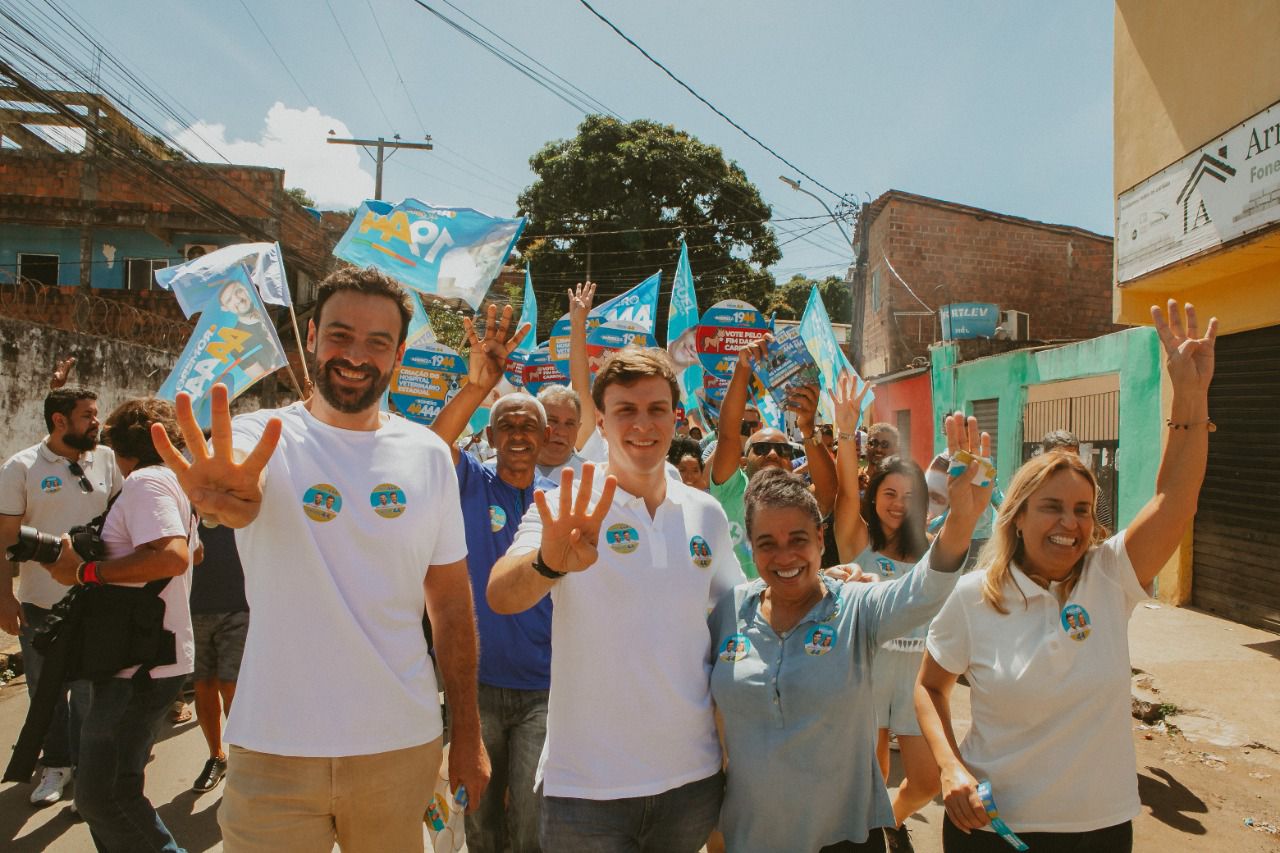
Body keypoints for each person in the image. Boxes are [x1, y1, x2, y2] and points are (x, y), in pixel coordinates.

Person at [153, 266, 489, 852]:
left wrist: (467, 734)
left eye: (377, 342)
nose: (355, 355)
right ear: (310, 337)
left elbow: (453, 611)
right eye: (339, 335)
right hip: (272, 748)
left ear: (399, 354)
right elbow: (238, 497)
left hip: (399, 744)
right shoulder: (260, 438)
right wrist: (221, 502)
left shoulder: (430, 456)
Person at [916, 302, 1217, 853]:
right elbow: (929, 686)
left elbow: (1176, 500)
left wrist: (1190, 396)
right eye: (1052, 507)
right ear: (1020, 516)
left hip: (1099, 830)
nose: (1070, 523)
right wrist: (950, 769)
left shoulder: (1110, 576)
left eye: (1083, 509)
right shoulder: (973, 597)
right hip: (991, 829)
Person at [488, 347, 744, 853]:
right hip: (587, 791)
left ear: (676, 416)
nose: (643, 425)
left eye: (656, 409)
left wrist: (827, 584)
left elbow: (739, 610)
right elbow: (501, 594)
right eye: (626, 410)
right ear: (601, 423)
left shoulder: (706, 513)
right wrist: (549, 562)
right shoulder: (568, 502)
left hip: (691, 781)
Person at [709, 413, 994, 853]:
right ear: (750, 544)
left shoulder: (856, 607)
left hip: (843, 837)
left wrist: (960, 520)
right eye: (767, 542)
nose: (784, 556)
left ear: (821, 540)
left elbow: (923, 591)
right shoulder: (729, 611)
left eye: (798, 539)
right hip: (750, 835)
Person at [40, 398, 197, 851]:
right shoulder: (173, 482)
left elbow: (173, 556)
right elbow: (193, 553)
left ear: (120, 444)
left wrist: (86, 571)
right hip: (146, 658)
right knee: (117, 789)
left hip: (139, 665)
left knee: (101, 798)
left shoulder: (147, 483)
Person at [429, 303, 553, 853]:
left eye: (530, 425)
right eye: (508, 424)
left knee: (529, 817)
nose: (519, 433)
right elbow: (431, 449)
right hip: (476, 684)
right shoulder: (471, 484)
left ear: (547, 437)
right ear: (492, 435)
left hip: (546, 689)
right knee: (478, 813)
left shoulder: (560, 496)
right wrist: (479, 387)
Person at [0, 386, 121, 807]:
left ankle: (87, 775)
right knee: (45, 690)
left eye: (95, 414)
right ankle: (56, 765)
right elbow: (3, 541)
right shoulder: (21, 467)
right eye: (88, 415)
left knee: (89, 691)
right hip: (39, 603)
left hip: (96, 602)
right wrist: (5, 599)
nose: (96, 422)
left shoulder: (106, 459)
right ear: (59, 421)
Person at [832, 375, 938, 851]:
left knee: (927, 781)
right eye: (890, 493)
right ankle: (871, 832)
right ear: (876, 496)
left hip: (915, 677)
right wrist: (846, 431)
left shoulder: (931, 552)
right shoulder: (858, 541)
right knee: (872, 773)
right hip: (868, 672)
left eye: (909, 495)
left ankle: (890, 818)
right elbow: (844, 494)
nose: (899, 504)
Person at [709, 335, 837, 578]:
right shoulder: (731, 490)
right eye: (760, 448)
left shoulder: (799, 500)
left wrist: (808, 427)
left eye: (782, 450)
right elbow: (728, 434)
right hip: (737, 611)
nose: (772, 454)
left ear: (791, 462)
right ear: (742, 462)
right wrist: (742, 368)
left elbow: (828, 493)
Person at [187, 518, 248, 794]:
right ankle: (217, 757)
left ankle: (243, 763)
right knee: (204, 685)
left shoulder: (238, 500)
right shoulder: (185, 503)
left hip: (239, 606)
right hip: (195, 607)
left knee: (231, 685)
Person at [536, 384, 587, 480]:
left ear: (578, 428)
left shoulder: (593, 478)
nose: (561, 431)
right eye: (553, 421)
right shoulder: (505, 472)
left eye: (569, 424)